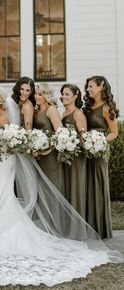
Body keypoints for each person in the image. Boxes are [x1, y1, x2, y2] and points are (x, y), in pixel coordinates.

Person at [0, 87, 123, 286]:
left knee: (2, 191)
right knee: (1, 192)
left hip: (3, 161)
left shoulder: (4, 119)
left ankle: (2, 227)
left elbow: (10, 142)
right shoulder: (0, 116)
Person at [83, 76, 119, 238]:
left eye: (91, 86)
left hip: (99, 151)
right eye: (88, 87)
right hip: (86, 150)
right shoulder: (88, 106)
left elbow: (114, 133)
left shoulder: (106, 108)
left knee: (98, 184)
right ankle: (89, 224)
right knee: (88, 184)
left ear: (101, 87)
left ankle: (101, 227)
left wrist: (100, 142)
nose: (88, 89)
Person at [60, 83, 87, 219]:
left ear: (75, 96)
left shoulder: (78, 114)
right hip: (65, 157)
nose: (63, 96)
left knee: (75, 189)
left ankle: (77, 226)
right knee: (67, 189)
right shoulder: (64, 112)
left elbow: (84, 138)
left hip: (77, 158)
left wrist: (71, 143)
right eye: (63, 94)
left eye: (67, 94)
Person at [34, 83, 65, 193]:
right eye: (35, 94)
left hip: (50, 155)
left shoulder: (51, 110)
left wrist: (47, 150)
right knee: (40, 187)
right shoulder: (36, 111)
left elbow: (60, 133)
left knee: (51, 184)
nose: (36, 96)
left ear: (46, 95)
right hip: (38, 155)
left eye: (40, 94)